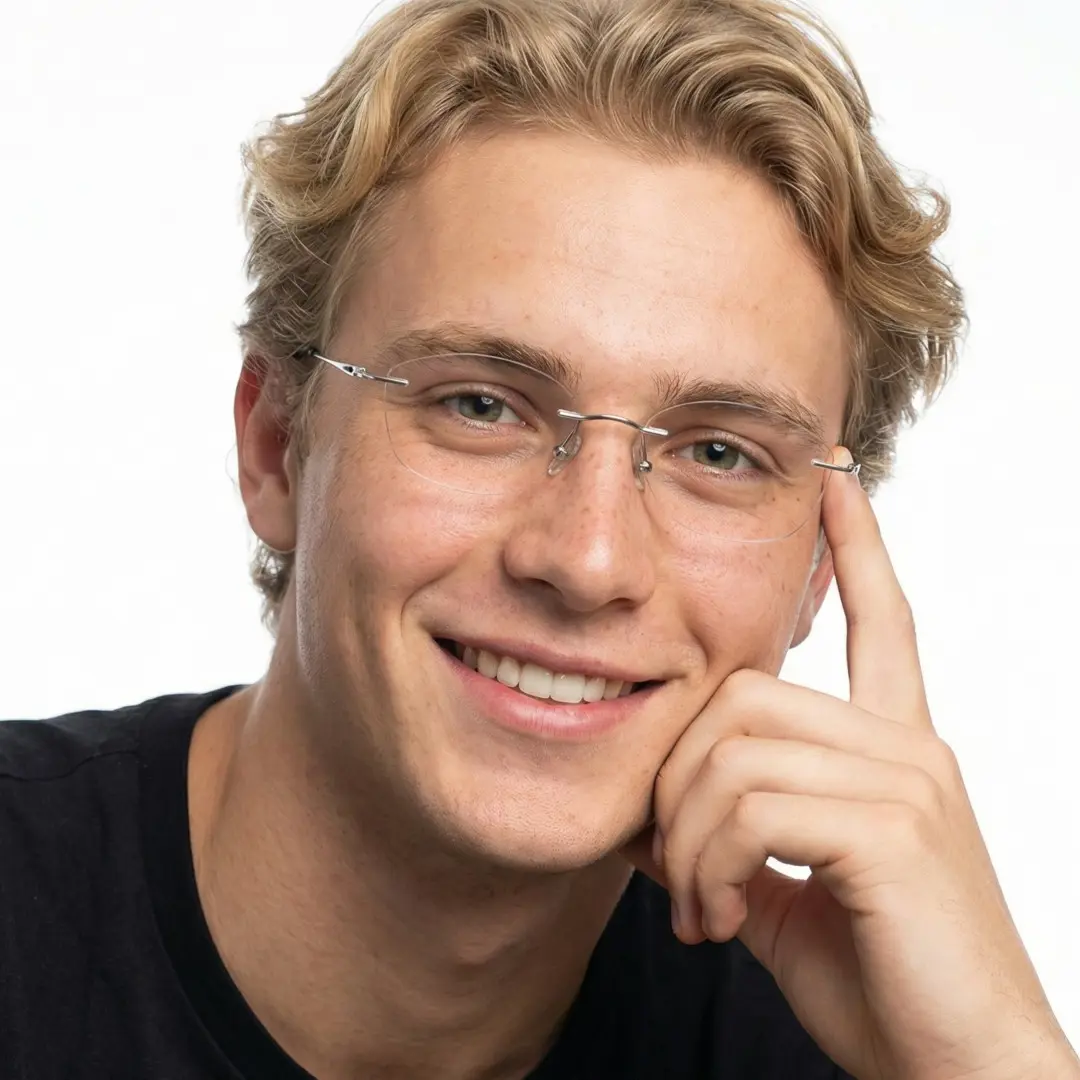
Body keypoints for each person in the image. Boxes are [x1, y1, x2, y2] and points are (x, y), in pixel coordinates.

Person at [1, 0, 1076, 1077]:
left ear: (818, 568)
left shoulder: (865, 1039)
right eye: (481, 406)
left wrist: (998, 1053)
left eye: (718, 454)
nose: (588, 559)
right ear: (279, 445)